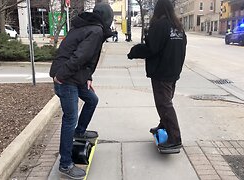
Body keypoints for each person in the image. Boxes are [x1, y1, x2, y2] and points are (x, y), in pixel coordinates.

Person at [49, 3, 113, 179]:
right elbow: (79, 57)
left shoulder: (89, 27)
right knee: (70, 118)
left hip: (75, 77)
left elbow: (86, 58)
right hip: (67, 78)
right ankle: (65, 164)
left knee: (92, 100)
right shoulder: (95, 31)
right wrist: (61, 76)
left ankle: (80, 131)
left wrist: (88, 77)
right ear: (107, 18)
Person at [127, 0, 187, 151]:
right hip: (174, 71)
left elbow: (151, 48)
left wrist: (134, 52)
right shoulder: (178, 27)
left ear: (158, 10)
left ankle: (175, 138)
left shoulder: (160, 25)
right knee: (166, 101)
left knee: (164, 104)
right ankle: (163, 125)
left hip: (161, 72)